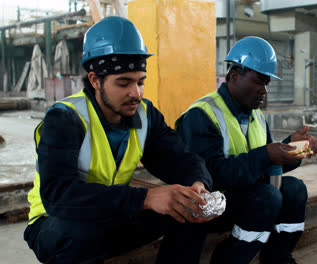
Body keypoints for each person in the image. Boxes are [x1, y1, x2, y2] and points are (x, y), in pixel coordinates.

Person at [23, 16, 214, 263]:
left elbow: (179, 158)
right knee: (81, 234)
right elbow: (59, 196)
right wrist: (145, 198)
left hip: (112, 213)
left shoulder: (145, 115)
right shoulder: (65, 119)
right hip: (56, 223)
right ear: (94, 80)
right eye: (124, 83)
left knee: (189, 211)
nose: (136, 93)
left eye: (140, 82)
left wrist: (197, 183)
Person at [175, 36, 317, 264]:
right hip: (210, 204)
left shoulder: (255, 116)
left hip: (244, 195)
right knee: (267, 197)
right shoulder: (202, 114)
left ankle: (277, 258)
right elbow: (209, 174)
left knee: (294, 189)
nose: (264, 91)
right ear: (234, 77)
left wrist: (294, 149)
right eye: (259, 82)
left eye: (267, 84)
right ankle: (228, 258)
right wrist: (267, 154)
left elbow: (268, 165)